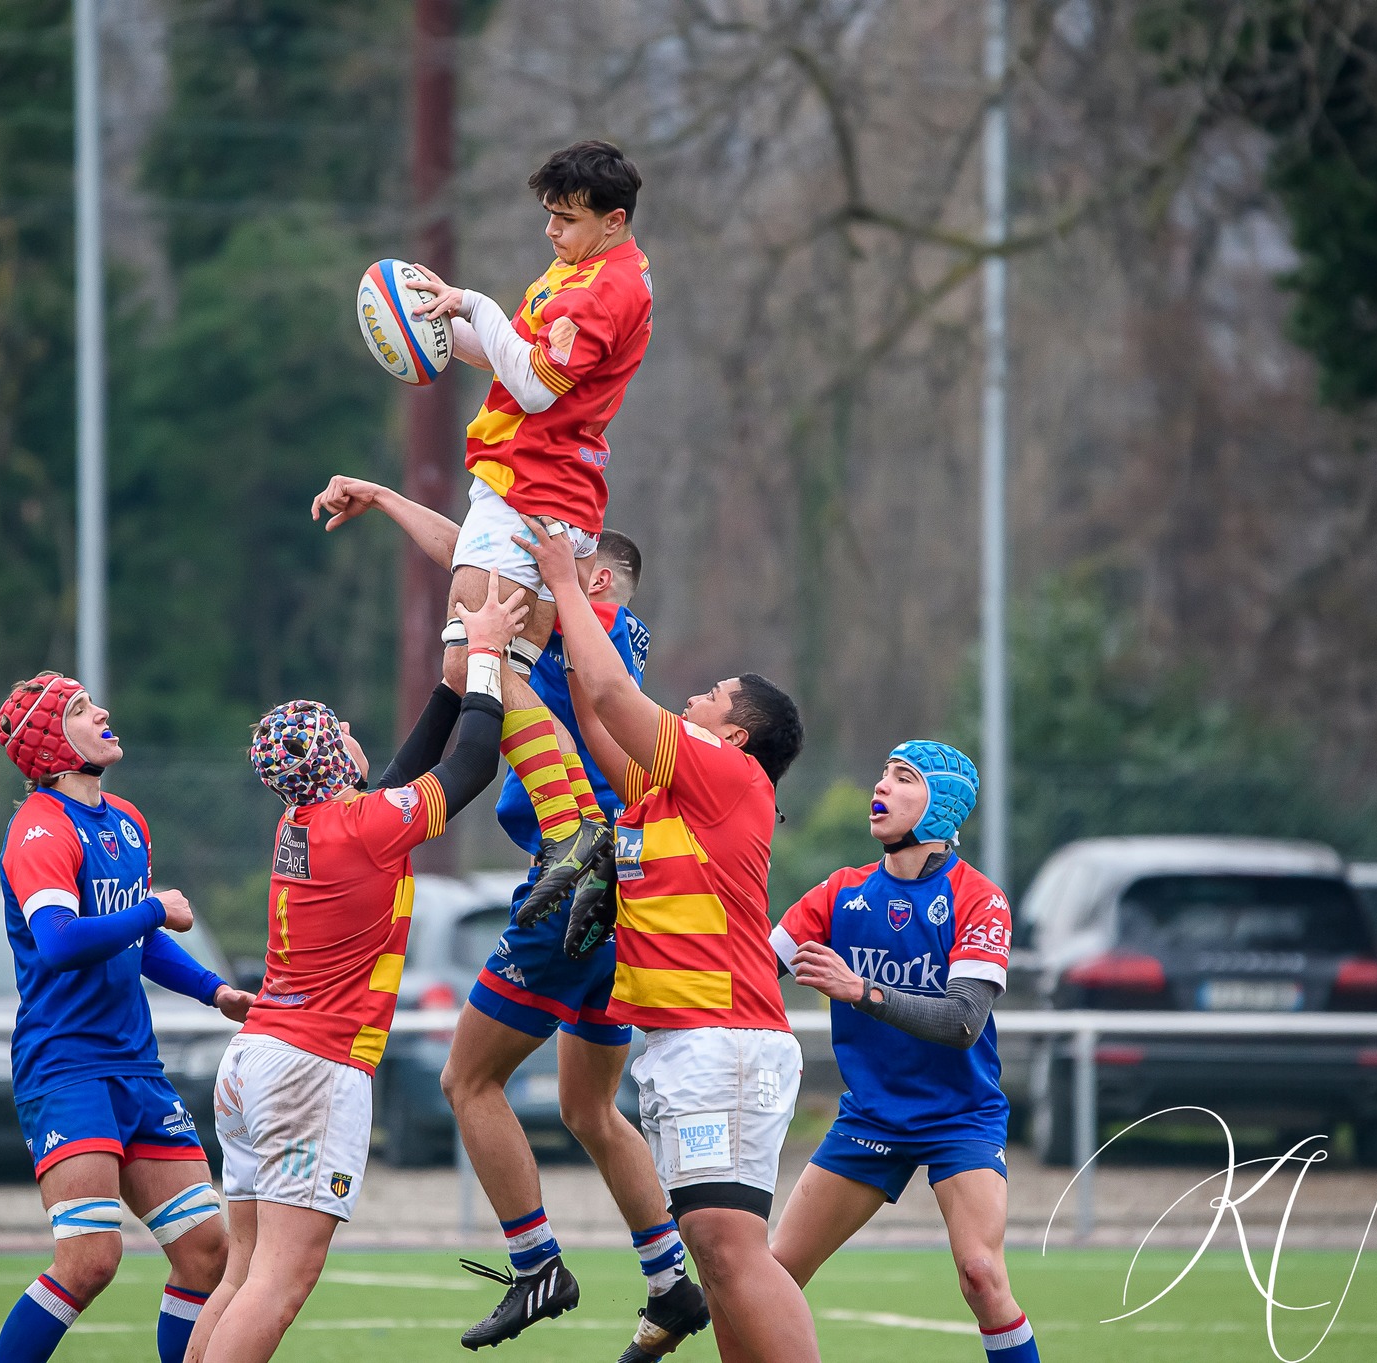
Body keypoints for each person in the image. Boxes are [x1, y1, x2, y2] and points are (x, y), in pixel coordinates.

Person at [313, 477, 704, 1355]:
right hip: (625, 882)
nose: (514, 580)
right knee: (590, 1107)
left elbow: (480, 568)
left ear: (588, 578)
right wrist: (387, 500)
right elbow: (473, 551)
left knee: (467, 1080)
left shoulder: (578, 617)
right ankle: (671, 1281)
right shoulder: (602, 625)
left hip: (578, 873)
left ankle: (537, 1266)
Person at [180, 575, 524, 1363]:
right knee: (281, 1280)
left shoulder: (304, 822)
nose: (352, 733)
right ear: (336, 758)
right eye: (340, 730)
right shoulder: (362, 826)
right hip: (315, 1066)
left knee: (244, 1271)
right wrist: (485, 659)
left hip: (257, 1061)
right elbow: (472, 764)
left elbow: (397, 780)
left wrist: (448, 690)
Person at [513, 518, 818, 1363]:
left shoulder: (727, 773)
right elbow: (593, 712)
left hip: (723, 1039)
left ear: (736, 734)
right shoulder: (664, 795)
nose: (693, 699)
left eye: (713, 695)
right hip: (697, 1044)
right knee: (719, 1257)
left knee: (727, 1248)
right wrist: (578, 613)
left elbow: (617, 698)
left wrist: (565, 580)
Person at [396, 139, 656, 922]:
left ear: (614, 221)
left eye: (566, 219)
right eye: (548, 215)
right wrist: (440, 325)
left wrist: (476, 303)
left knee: (470, 661)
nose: (551, 230)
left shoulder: (602, 290)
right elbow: (519, 360)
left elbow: (537, 390)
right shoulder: (583, 270)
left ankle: (571, 824)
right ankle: (580, 823)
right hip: (551, 491)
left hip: (525, 487)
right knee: (493, 670)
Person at [0, 673, 256, 1363]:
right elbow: (60, 941)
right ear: (51, 743)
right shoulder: (40, 828)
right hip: (67, 1067)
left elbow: (136, 940)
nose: (103, 711)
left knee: (207, 1253)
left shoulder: (128, 821)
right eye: (80, 709)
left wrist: (214, 992)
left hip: (136, 1066)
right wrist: (153, 908)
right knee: (90, 1260)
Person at [768, 743, 1038, 1363]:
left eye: (903, 777)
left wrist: (861, 990)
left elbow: (963, 1020)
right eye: (883, 773)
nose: (881, 786)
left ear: (941, 805)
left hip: (959, 1117)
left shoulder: (980, 898)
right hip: (872, 1118)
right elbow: (750, 972)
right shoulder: (840, 892)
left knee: (981, 1274)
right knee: (769, 1278)